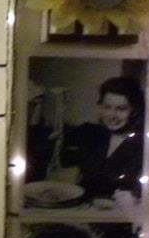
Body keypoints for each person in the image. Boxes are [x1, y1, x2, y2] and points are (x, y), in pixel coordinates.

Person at [59, 76, 144, 209]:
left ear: (134, 110)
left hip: (116, 214)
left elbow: (143, 193)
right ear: (100, 107)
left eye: (121, 109)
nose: (112, 115)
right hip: (80, 209)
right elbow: (57, 153)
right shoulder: (90, 132)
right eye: (107, 107)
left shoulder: (143, 146)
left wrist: (135, 200)